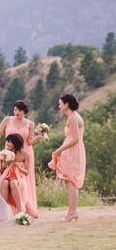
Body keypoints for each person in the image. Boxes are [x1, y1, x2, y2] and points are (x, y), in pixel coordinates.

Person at [0, 101, 41, 218]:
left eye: (19, 110)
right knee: (6, 180)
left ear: (24, 111)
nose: (17, 112)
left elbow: (29, 142)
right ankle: (5, 210)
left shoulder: (30, 123)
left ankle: (24, 207)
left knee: (22, 179)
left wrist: (39, 136)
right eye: (15, 110)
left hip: (23, 151)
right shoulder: (7, 120)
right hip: (8, 153)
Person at [50, 94, 85, 222]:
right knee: (69, 182)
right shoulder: (73, 117)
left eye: (60, 103)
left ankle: (72, 212)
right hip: (71, 150)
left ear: (66, 104)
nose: (59, 106)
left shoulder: (73, 118)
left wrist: (60, 149)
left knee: (70, 181)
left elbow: (75, 138)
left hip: (72, 152)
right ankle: (72, 211)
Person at [0, 133, 32, 216]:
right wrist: (6, 163)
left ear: (16, 143)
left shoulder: (25, 155)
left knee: (13, 183)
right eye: (7, 141)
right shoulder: (4, 153)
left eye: (9, 142)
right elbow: (1, 170)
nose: (7, 143)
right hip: (6, 175)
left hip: (18, 177)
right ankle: (3, 209)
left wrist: (17, 166)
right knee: (4, 183)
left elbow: (26, 173)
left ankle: (19, 209)